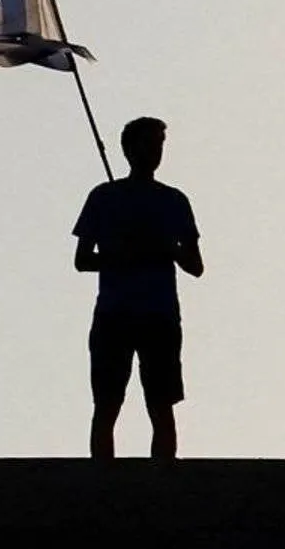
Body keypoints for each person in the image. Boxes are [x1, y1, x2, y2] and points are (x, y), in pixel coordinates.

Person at [73, 117, 203, 460]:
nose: (155, 152)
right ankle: (103, 478)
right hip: (115, 313)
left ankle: (164, 479)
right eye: (149, 144)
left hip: (158, 314)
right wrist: (122, 254)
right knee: (107, 403)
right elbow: (82, 259)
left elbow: (196, 266)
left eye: (159, 145)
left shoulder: (174, 200)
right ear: (129, 149)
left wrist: (166, 248)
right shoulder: (104, 197)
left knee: (161, 404)